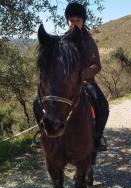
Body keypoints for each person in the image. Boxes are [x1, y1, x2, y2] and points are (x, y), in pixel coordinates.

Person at [32, 2, 109, 152]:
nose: (74, 24)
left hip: (86, 82)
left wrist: (80, 76)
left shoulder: (88, 41)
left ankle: (97, 136)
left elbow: (96, 65)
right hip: (63, 83)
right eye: (72, 21)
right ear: (67, 21)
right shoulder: (61, 41)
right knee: (37, 103)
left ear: (83, 22)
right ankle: (44, 135)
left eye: (78, 21)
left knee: (103, 105)